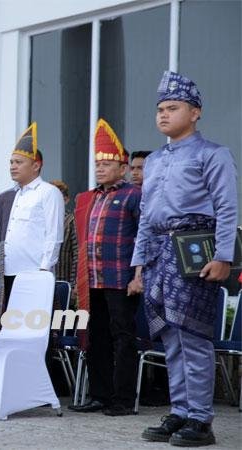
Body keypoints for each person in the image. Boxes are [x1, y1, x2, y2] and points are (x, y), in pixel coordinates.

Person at [132, 71, 237, 447]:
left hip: (194, 248)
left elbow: (227, 209)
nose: (163, 114)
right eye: (160, 109)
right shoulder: (156, 160)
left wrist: (224, 255)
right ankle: (180, 411)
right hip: (159, 253)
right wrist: (138, 264)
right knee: (169, 336)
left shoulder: (214, 154)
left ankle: (201, 420)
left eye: (172, 108)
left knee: (193, 335)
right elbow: (145, 214)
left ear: (195, 113)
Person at [69, 119, 141, 417]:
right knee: (96, 337)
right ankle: (100, 395)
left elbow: (144, 239)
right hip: (93, 279)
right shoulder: (89, 197)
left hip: (121, 279)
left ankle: (122, 400)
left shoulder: (133, 195)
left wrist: (139, 275)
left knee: (123, 338)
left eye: (107, 164)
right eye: (97, 163)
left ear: (123, 168)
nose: (100, 168)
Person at [0, 123, 64, 319]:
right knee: (9, 324)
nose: (12, 167)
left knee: (35, 325)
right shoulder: (9, 196)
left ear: (36, 165)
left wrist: (44, 269)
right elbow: (1, 236)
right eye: (11, 162)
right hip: (7, 272)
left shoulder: (49, 192)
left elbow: (54, 235)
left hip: (34, 272)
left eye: (18, 162)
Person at [49, 180, 77, 306]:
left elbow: (77, 254)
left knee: (62, 321)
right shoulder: (39, 221)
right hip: (41, 281)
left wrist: (73, 284)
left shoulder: (71, 221)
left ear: (66, 200)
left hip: (63, 282)